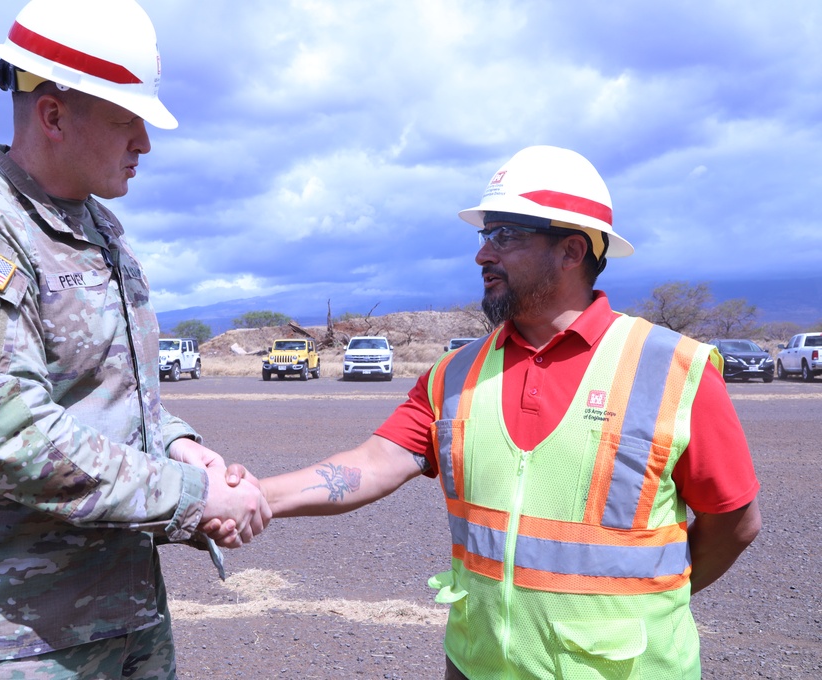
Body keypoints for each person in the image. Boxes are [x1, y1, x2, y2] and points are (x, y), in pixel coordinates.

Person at [254, 145, 762, 679]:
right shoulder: (454, 373)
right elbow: (375, 462)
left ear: (571, 250)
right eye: (484, 236)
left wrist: (648, 598)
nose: (482, 255)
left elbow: (734, 523)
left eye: (506, 236)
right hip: (477, 667)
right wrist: (252, 496)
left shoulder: (674, 369)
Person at [0, 1, 268, 677]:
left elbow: (108, 392)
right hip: (11, 641)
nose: (145, 145)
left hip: (122, 616)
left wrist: (182, 445)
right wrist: (192, 497)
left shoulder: (98, 230)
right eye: (128, 121)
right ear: (54, 116)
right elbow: (7, 437)